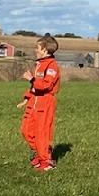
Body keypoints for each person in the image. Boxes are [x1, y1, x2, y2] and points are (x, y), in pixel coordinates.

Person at [16, 35, 62, 171]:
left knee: (41, 133)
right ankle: (41, 153)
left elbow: (46, 85)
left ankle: (46, 161)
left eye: (38, 48)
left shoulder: (52, 66)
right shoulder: (39, 64)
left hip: (45, 102)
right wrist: (26, 98)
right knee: (26, 130)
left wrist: (31, 79)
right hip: (33, 101)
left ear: (45, 50)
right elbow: (35, 87)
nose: (36, 50)